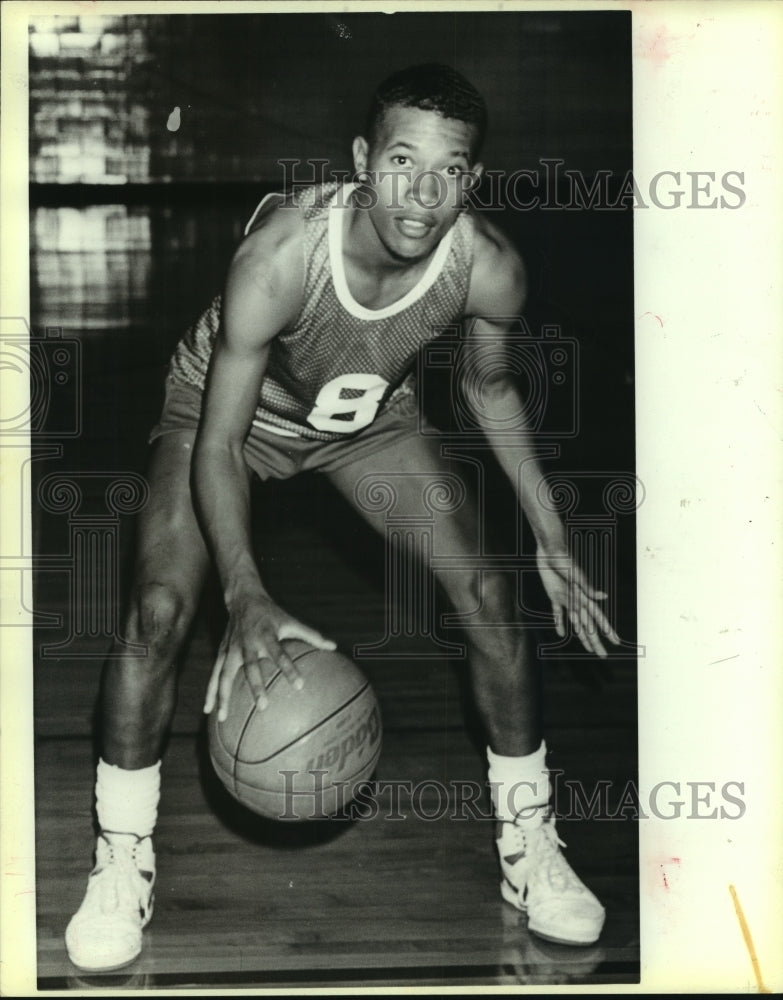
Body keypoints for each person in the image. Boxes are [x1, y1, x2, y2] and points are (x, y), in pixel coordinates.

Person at [65, 63, 620, 972]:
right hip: (223, 419)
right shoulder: (283, 257)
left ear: (470, 180)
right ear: (364, 159)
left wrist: (553, 536)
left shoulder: (489, 267)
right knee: (159, 610)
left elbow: (489, 389)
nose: (421, 192)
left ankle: (532, 847)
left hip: (369, 428)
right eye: (402, 161)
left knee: (489, 593)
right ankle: (122, 856)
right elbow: (217, 443)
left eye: (448, 170)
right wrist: (244, 594)